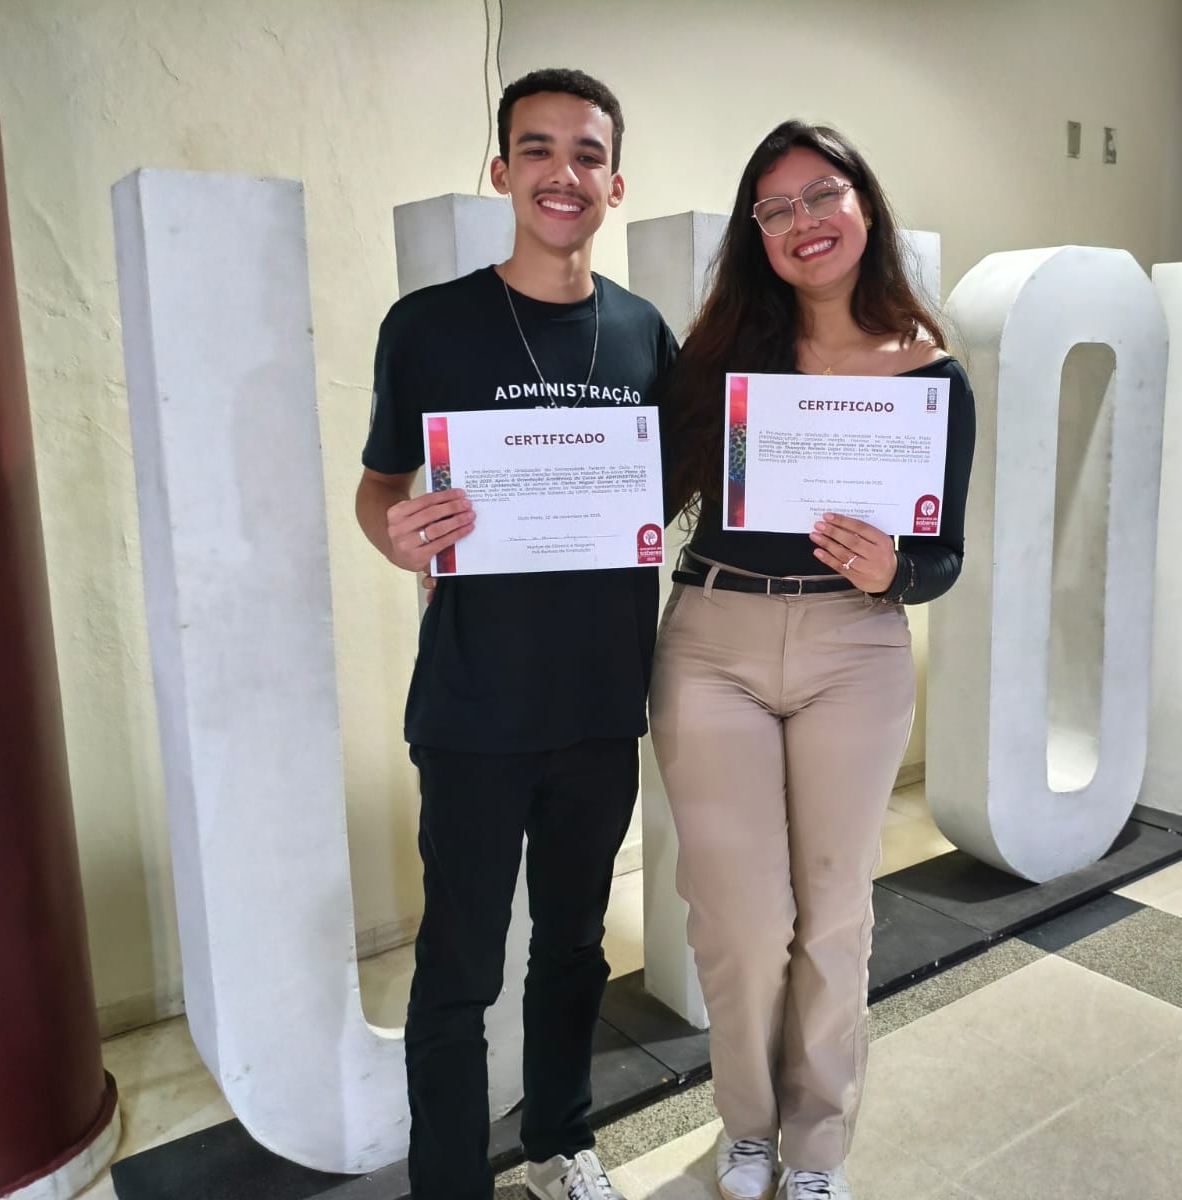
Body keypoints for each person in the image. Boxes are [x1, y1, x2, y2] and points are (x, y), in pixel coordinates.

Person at [356, 67, 674, 1200]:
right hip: (474, 711)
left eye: (585, 154)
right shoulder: (430, 326)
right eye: (536, 150)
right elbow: (378, 486)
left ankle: (558, 1142)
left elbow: (675, 489)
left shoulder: (643, 333)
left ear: (614, 183)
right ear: (502, 173)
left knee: (575, 948)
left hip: (599, 708)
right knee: (458, 968)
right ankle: (450, 1184)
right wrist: (396, 535)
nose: (561, 173)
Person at [651, 121, 976, 1200]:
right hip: (716, 644)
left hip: (854, 648)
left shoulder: (930, 376)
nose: (802, 223)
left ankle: (818, 1145)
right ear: (756, 231)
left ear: (864, 206)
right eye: (776, 207)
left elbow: (944, 558)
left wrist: (898, 569)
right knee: (741, 921)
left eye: (820, 196)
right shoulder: (721, 356)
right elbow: (640, 503)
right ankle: (746, 1127)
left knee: (835, 913)